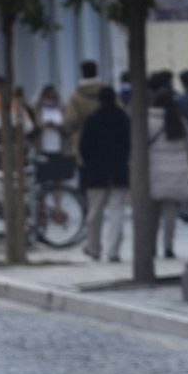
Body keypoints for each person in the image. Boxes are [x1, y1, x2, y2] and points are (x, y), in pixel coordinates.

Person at [79, 86, 131, 262]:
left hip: (96, 172)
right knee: (117, 211)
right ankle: (113, 250)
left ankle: (94, 247)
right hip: (118, 170)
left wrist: (89, 164)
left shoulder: (92, 119)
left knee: (94, 212)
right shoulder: (122, 118)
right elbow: (129, 143)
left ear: (98, 100)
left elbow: (84, 147)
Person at [146, 88, 188, 259]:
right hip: (177, 172)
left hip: (153, 171)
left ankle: (150, 247)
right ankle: (168, 246)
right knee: (170, 212)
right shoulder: (179, 121)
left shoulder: (147, 121)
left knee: (151, 213)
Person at [63, 60, 106, 166]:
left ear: (82, 73)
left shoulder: (75, 97)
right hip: (105, 141)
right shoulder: (107, 93)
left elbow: (70, 120)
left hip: (82, 142)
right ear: (96, 72)